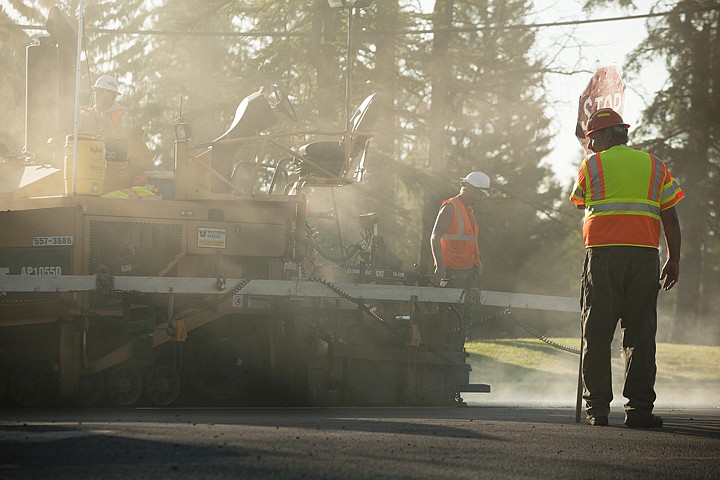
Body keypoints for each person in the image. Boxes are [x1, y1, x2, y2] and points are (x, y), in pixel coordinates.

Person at [569, 108, 684, 428]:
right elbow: (670, 217)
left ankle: (598, 410)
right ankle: (639, 411)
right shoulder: (655, 165)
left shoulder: (591, 165)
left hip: (603, 257)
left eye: (592, 138)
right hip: (645, 257)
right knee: (641, 334)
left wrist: (590, 158)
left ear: (605, 135)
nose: (589, 144)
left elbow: (581, 201)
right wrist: (673, 259)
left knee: (596, 332)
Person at [431, 171, 490, 288]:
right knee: (450, 306)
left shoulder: (468, 210)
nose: (481, 198)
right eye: (480, 194)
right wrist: (440, 266)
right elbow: (435, 237)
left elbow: (469, 241)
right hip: (451, 271)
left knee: (467, 305)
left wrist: (478, 262)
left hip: (470, 270)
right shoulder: (450, 208)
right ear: (470, 189)